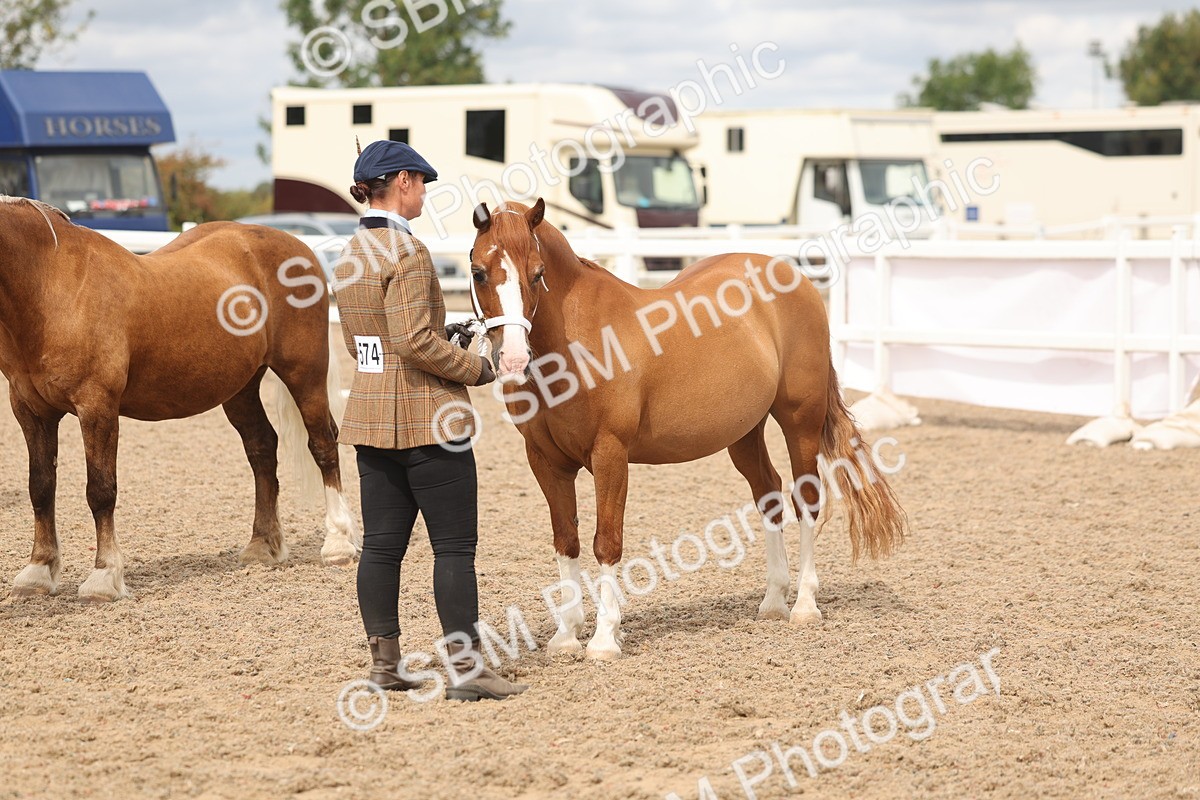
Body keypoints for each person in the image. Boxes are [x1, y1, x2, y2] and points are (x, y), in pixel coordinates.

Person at [332, 140, 527, 702]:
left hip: (371, 416)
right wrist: (478, 367)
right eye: (421, 182)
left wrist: (444, 338)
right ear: (401, 183)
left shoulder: (351, 252)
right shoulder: (408, 253)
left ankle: (385, 664)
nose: (425, 193)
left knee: (382, 546)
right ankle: (467, 672)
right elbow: (415, 341)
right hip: (428, 421)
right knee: (454, 548)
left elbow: (364, 340)